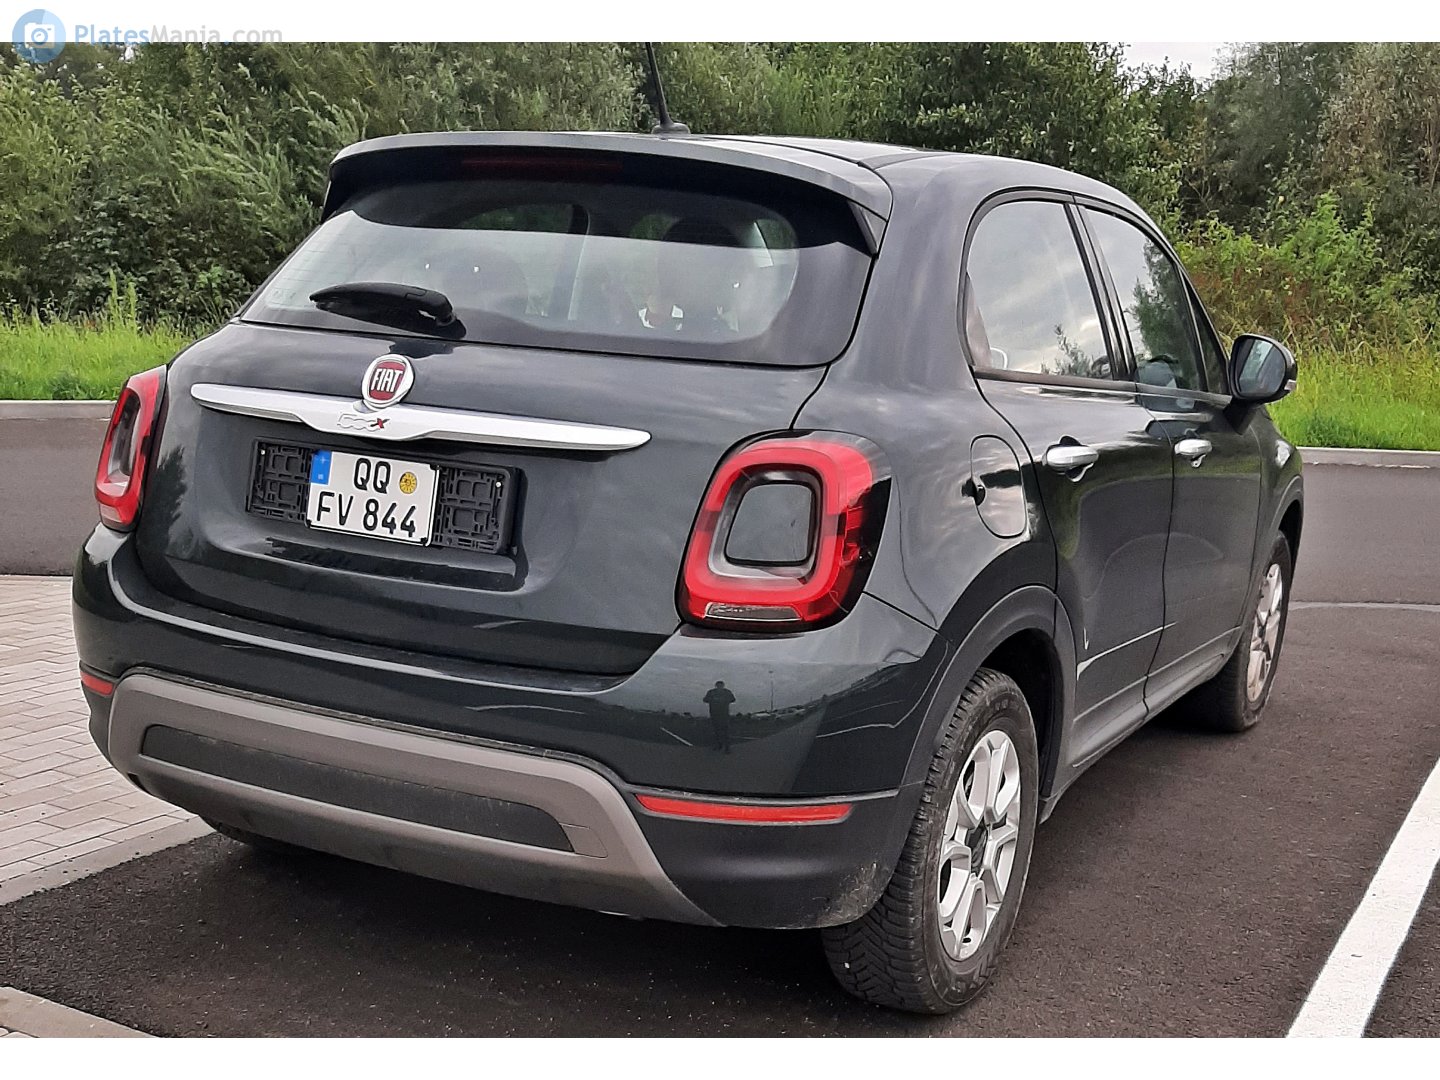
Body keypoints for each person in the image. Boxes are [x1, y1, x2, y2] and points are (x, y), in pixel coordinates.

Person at [703, 679, 737, 753]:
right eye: (718, 686)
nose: (719, 687)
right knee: (717, 730)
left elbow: (733, 699)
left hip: (724, 714)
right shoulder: (711, 692)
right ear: (716, 686)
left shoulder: (727, 692)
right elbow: (705, 700)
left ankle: (727, 747)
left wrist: (724, 700)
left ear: (723, 686)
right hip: (715, 714)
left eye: (721, 686)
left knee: (725, 731)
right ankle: (719, 745)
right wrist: (713, 700)